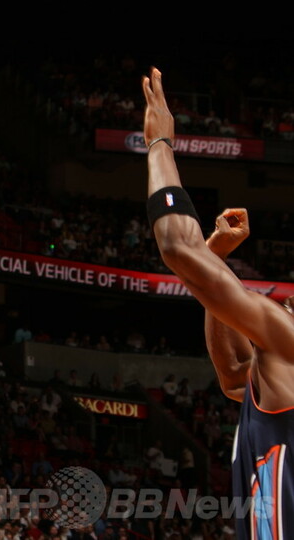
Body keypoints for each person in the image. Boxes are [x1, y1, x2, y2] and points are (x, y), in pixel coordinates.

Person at [142, 66, 294, 539]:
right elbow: (231, 372)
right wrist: (215, 258)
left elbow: (176, 246)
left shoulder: (289, 341)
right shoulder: (276, 369)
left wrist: (159, 144)